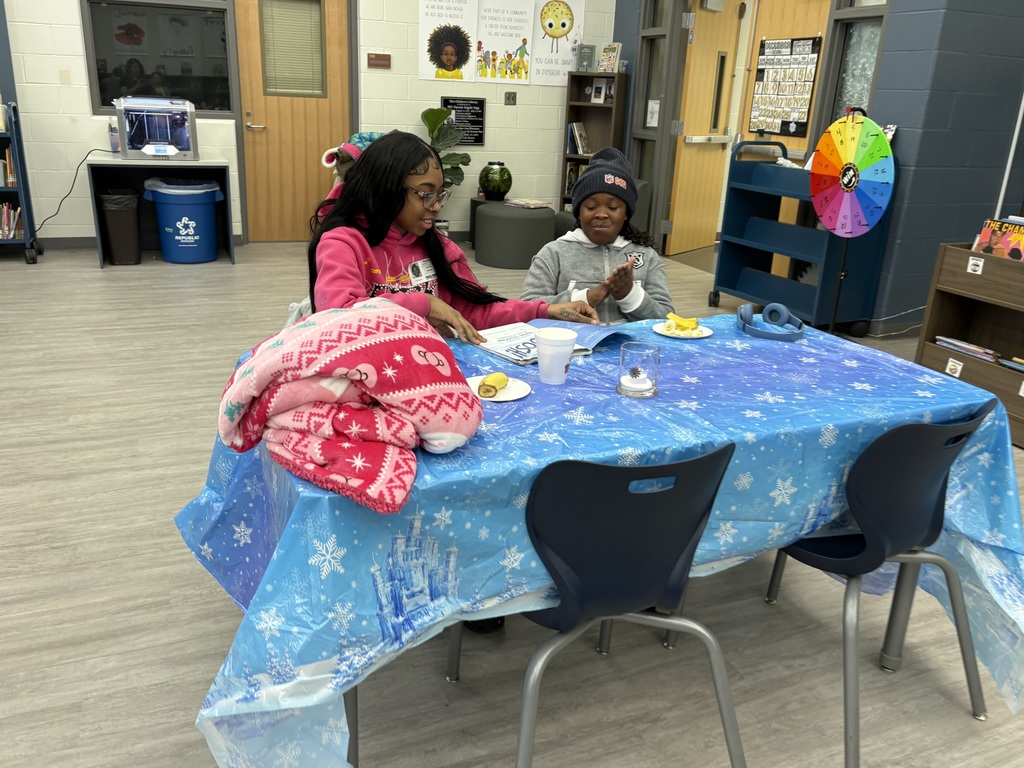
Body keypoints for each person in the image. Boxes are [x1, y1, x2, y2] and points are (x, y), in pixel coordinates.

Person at [307, 131, 598, 343]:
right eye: (425, 193)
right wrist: (424, 303)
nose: (436, 206)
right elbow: (338, 318)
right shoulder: (343, 241)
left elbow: (475, 312)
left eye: (440, 193)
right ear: (385, 188)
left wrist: (548, 310)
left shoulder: (438, 245)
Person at [520, 147, 674, 323]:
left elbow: (667, 318)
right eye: (591, 207)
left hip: (629, 348)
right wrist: (586, 299)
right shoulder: (553, 253)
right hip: (572, 347)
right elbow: (529, 309)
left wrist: (629, 295)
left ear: (626, 214)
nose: (601, 214)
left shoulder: (647, 257)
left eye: (613, 207)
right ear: (578, 212)